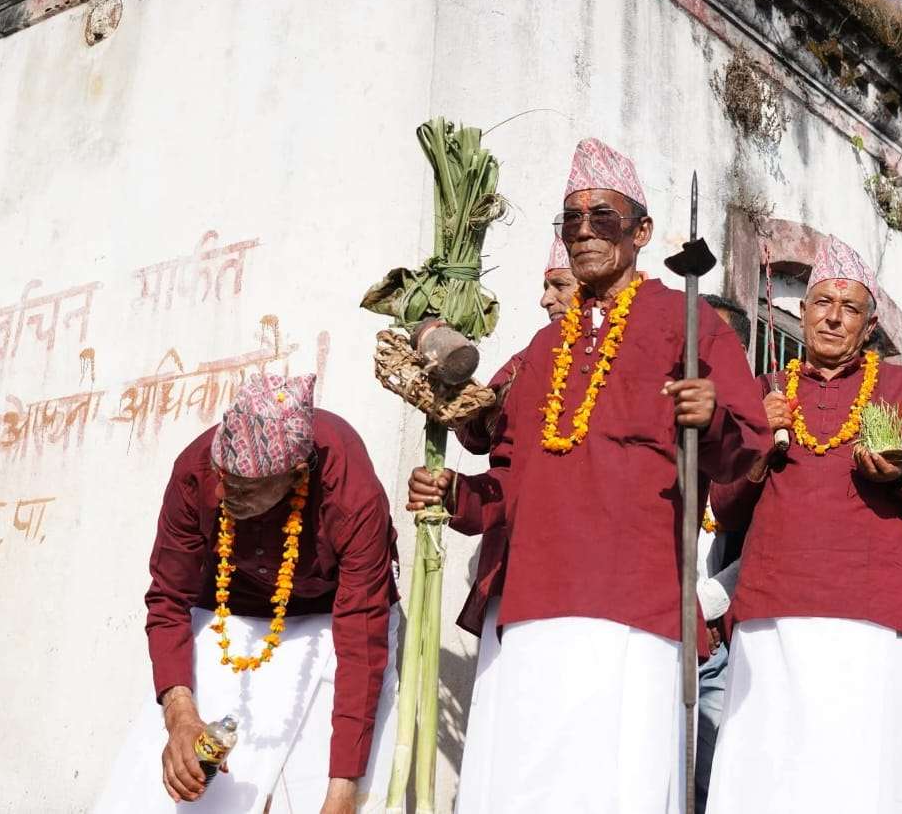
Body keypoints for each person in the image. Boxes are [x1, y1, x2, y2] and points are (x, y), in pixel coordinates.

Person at [407, 137, 769, 813]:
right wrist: (457, 494)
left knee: (616, 787)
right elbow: (509, 481)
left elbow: (745, 450)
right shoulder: (542, 348)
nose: (582, 231)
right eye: (570, 218)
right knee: (528, 787)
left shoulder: (687, 321)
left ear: (641, 232)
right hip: (534, 603)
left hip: (636, 605)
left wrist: (713, 415)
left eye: (602, 216)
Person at [706, 235, 902, 813]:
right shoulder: (766, 391)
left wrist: (901, 476)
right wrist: (758, 440)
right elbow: (724, 506)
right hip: (773, 610)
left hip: (871, 614)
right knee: (768, 768)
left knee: (858, 772)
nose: (833, 317)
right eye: (823, 302)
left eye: (850, 308)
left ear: (869, 327)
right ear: (802, 311)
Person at [96, 373, 399, 814]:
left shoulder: (352, 495)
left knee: (314, 782)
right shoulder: (196, 470)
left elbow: (361, 639)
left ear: (295, 476)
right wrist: (179, 715)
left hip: (332, 617)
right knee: (177, 777)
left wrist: (342, 793)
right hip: (230, 610)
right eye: (222, 476)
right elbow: (168, 598)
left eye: (242, 487)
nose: (222, 492)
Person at [447, 235, 579, 811]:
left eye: (558, 286)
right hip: (517, 560)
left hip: (586, 570)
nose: (546, 299)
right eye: (546, 287)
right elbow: (480, 435)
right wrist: (460, 394)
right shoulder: (532, 356)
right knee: (510, 712)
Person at [694, 293, 752, 814]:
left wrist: (704, 605)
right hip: (648, 626)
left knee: (713, 783)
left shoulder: (754, 433)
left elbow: (766, 545)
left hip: (714, 642)